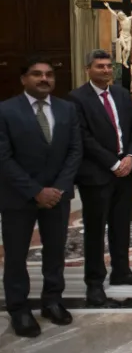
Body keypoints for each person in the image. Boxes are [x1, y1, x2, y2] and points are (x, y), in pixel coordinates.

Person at [0, 57, 82, 337]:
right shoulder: (5, 110)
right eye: (36, 74)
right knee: (16, 255)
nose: (44, 79)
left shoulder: (67, 109)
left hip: (58, 196)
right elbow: (3, 157)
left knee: (55, 251)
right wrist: (35, 191)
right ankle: (19, 309)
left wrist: (57, 188)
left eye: (48, 74)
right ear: (24, 79)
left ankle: (52, 301)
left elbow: (75, 150)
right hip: (18, 197)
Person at [68, 50, 132, 307]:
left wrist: (131, 158)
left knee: (121, 225)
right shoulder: (76, 98)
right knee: (95, 230)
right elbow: (83, 137)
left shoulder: (122, 94)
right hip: (97, 175)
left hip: (125, 172)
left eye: (108, 66)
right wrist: (113, 162)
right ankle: (94, 282)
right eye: (100, 66)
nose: (106, 70)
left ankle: (121, 271)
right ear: (88, 69)